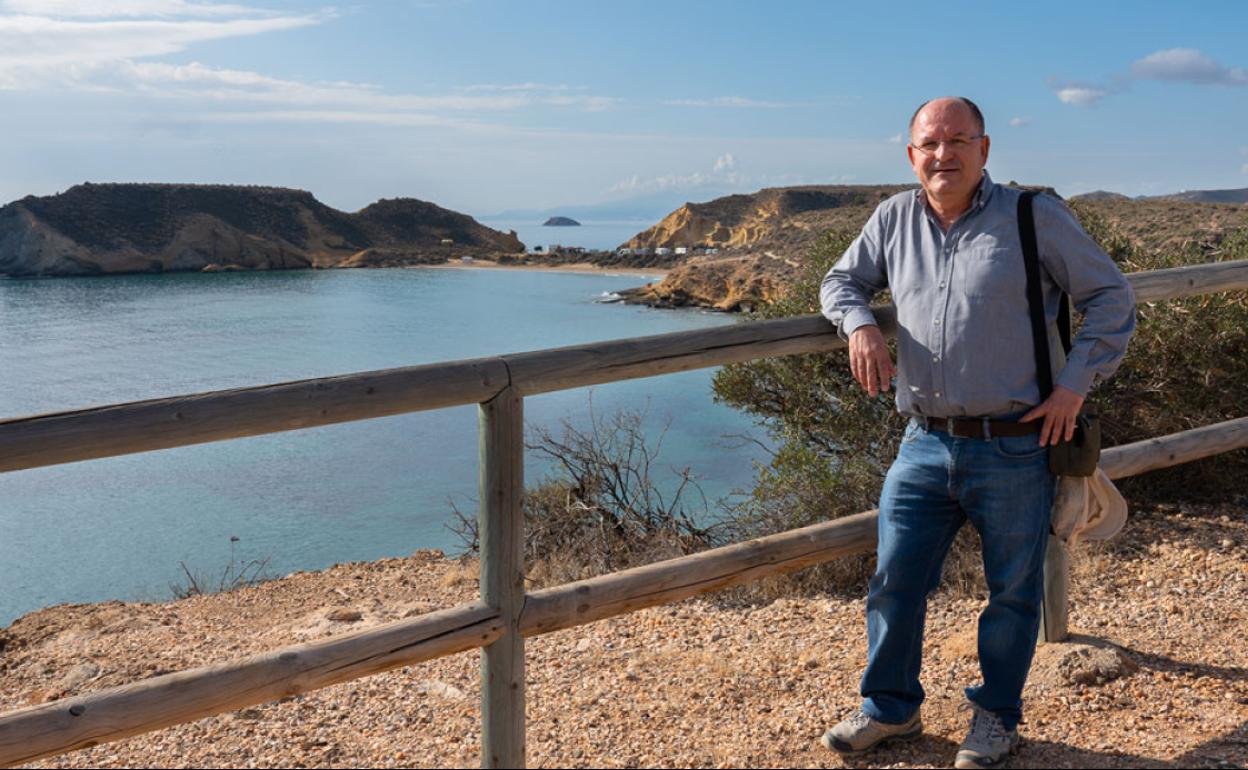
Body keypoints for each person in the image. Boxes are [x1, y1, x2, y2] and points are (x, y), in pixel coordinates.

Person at [817, 96, 1136, 769]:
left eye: (959, 141)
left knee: (1013, 593)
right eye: (931, 144)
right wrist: (861, 323)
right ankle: (890, 709)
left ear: (985, 149)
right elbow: (840, 280)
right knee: (894, 581)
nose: (944, 154)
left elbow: (1111, 296)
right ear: (912, 155)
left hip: (1017, 443)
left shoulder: (1032, 216)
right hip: (923, 441)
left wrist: (1075, 385)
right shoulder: (892, 218)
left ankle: (997, 718)